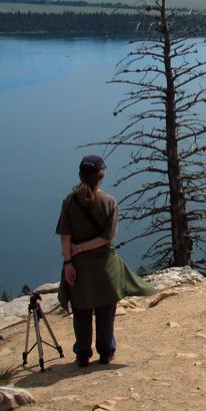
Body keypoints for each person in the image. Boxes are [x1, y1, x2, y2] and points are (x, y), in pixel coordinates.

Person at [56, 155, 156, 367]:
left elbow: (65, 237)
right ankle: (106, 352)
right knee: (105, 310)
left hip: (78, 264)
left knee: (81, 310)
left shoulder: (69, 201)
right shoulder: (109, 202)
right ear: (102, 175)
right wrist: (83, 247)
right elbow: (106, 238)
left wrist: (68, 262)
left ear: (80, 175)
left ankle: (83, 353)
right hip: (104, 264)